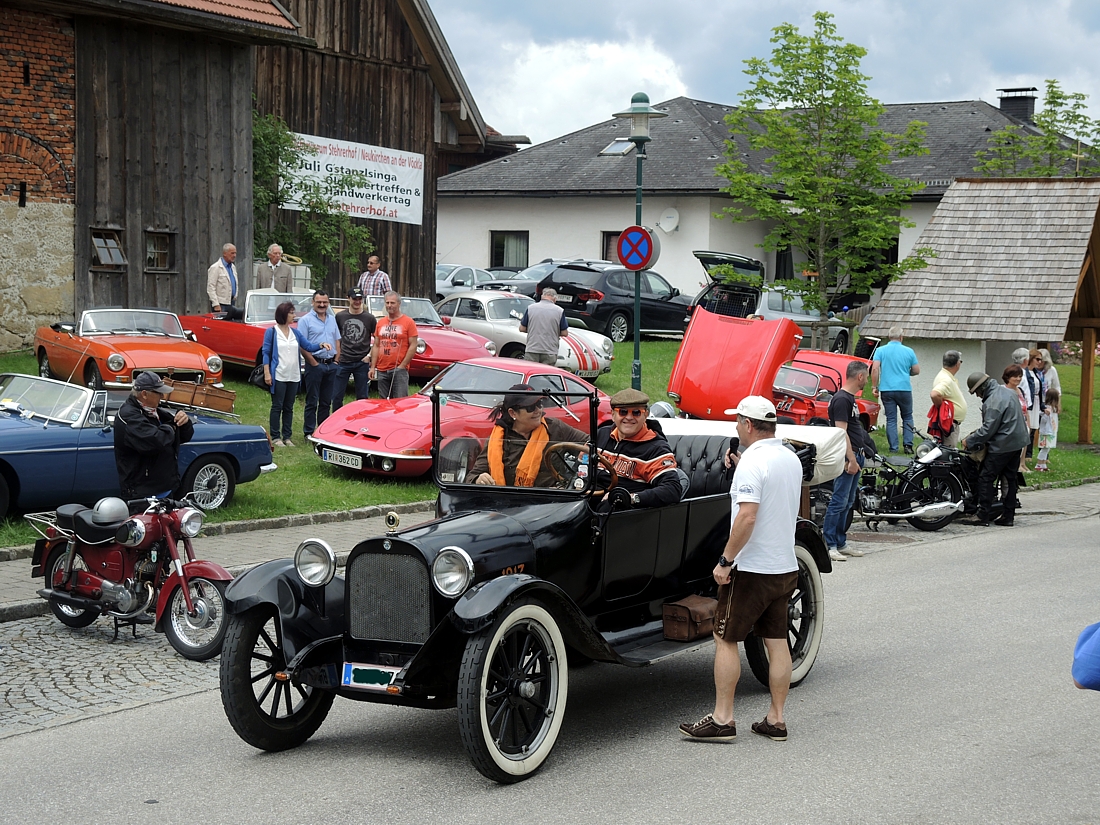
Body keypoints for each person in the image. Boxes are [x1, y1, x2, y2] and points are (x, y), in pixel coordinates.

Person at [680, 396, 802, 743]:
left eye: (737, 422)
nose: (736, 427)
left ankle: (723, 718)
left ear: (748, 425)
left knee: (725, 636)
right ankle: (776, 719)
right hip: (783, 564)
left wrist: (725, 560)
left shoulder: (753, 462)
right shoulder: (789, 458)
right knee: (777, 641)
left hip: (751, 568)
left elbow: (748, 515)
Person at [470, 384, 589, 487]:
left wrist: (570, 481)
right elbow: (472, 476)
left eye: (539, 404)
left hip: (552, 503)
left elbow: (590, 443)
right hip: (507, 503)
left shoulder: (555, 427)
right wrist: (479, 478)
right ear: (513, 413)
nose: (538, 410)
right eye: (530, 407)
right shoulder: (498, 440)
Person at [961, 372, 1029, 527]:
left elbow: (988, 429)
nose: (978, 396)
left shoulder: (992, 401)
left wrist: (969, 440)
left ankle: (982, 515)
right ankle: (1008, 516)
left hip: (1002, 445)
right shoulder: (1008, 391)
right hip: (1017, 443)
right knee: (1009, 479)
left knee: (985, 477)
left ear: (982, 388)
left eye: (977, 392)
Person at [113, 371, 195, 499]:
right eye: (158, 392)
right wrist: (172, 427)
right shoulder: (129, 416)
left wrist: (184, 422)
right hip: (143, 493)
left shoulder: (156, 411)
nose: (162, 396)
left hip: (167, 487)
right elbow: (157, 440)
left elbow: (183, 436)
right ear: (144, 394)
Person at [594, 388, 682, 507]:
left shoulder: (656, 448)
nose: (629, 417)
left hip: (622, 510)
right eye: (623, 412)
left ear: (645, 415)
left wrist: (630, 498)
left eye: (636, 412)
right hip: (592, 495)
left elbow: (672, 489)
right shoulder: (601, 435)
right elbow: (580, 466)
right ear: (613, 415)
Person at [262, 301, 332, 447]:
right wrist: (267, 372)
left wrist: (320, 345)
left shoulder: (295, 333)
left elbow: (308, 346)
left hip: (293, 375)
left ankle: (287, 437)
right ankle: (276, 437)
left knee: (289, 407)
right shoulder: (272, 332)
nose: (294, 315)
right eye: (292, 313)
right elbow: (266, 353)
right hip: (279, 374)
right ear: (284, 314)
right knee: (277, 406)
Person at [823, 360, 873, 563]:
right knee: (838, 501)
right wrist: (850, 458)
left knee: (848, 501)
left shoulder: (850, 399)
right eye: (867, 377)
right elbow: (840, 432)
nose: (868, 381)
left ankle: (841, 542)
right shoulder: (842, 400)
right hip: (848, 456)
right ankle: (830, 544)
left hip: (857, 453)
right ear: (859, 376)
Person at [297, 290, 341, 438]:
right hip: (315, 364)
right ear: (312, 302)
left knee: (326, 401)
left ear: (328, 303)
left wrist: (336, 361)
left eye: (325, 302)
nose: (322, 305)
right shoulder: (305, 320)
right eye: (319, 302)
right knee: (312, 400)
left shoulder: (332, 319)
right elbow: (302, 345)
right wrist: (314, 363)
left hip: (331, 365)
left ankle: (322, 432)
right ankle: (309, 432)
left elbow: (337, 340)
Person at [871, 326, 920, 454]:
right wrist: (906, 373)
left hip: (887, 389)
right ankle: (908, 445)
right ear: (901, 337)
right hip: (904, 388)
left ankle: (893, 447)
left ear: (889, 337)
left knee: (891, 419)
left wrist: (874, 386)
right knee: (908, 416)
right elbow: (916, 370)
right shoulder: (909, 351)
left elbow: (875, 369)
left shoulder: (880, 350)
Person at [333, 287, 377, 408]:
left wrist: (369, 356)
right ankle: (337, 422)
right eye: (354, 299)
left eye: (359, 299)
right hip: (343, 361)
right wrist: (337, 357)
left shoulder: (370, 318)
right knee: (337, 396)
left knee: (362, 397)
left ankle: (360, 422)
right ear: (348, 299)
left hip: (361, 362)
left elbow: (377, 340)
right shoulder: (340, 316)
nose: (357, 301)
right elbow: (336, 337)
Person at [369, 291, 417, 399]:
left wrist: (402, 366)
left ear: (399, 304)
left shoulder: (408, 322)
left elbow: (413, 345)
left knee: (400, 402)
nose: (389, 305)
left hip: (399, 369)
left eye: (392, 303)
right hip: (382, 370)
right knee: (384, 403)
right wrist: (373, 367)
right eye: (387, 303)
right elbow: (376, 345)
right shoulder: (380, 322)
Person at [519, 288, 568, 364]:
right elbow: (564, 333)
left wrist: (533, 329)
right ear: (555, 299)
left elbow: (522, 328)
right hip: (550, 350)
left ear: (542, 297)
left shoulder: (531, 308)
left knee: (532, 372)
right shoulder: (559, 311)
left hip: (532, 348)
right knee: (546, 374)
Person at [929, 350, 968, 447]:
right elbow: (934, 394)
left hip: (951, 422)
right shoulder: (946, 380)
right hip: (949, 423)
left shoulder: (945, 376)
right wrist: (940, 407)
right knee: (947, 453)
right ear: (957, 364)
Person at [1003, 364, 1029, 473]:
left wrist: (1029, 426)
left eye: (1020, 376)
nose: (1018, 379)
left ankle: (1021, 465)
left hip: (1023, 424)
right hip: (1011, 426)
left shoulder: (1021, 391)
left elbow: (1026, 409)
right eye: (1015, 376)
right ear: (1008, 377)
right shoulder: (1003, 390)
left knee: (1022, 447)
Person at [207, 243, 240, 315]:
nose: (234, 255)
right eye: (232, 253)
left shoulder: (233, 267)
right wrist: (216, 304)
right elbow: (211, 287)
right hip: (220, 304)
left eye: (235, 253)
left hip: (231, 302)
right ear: (225, 254)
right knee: (220, 324)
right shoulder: (215, 267)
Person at [1036, 387, 1060, 472]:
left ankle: (1043, 464)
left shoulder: (1053, 409)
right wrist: (1046, 414)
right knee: (1044, 448)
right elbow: (1044, 420)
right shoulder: (1046, 408)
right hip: (1046, 431)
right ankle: (1039, 464)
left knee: (1048, 448)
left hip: (1051, 431)